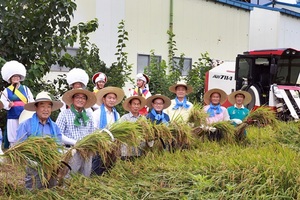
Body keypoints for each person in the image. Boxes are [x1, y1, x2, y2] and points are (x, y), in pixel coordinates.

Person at [16, 91, 63, 190]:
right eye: (42, 106)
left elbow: (58, 146)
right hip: (33, 165)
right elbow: (19, 147)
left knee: (50, 191)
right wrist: (32, 160)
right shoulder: (25, 125)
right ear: (36, 108)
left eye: (49, 107)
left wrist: (57, 159)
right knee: (33, 192)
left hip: (52, 166)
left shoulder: (55, 127)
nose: (46, 110)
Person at [56, 88, 97, 177]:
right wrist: (75, 143)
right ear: (73, 99)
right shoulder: (64, 114)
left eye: (83, 98)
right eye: (77, 97)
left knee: (84, 178)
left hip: (86, 151)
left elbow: (92, 133)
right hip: (71, 151)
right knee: (69, 179)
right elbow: (58, 134)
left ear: (86, 101)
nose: (80, 100)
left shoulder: (89, 115)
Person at [0, 60, 34, 147]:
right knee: (13, 136)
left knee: (25, 134)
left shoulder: (26, 89)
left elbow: (31, 101)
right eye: (13, 76)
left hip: (25, 115)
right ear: (10, 78)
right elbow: (3, 102)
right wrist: (8, 105)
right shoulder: (7, 90)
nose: (16, 78)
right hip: (13, 115)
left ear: (20, 77)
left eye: (17, 76)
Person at [92, 86, 124, 174]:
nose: (112, 100)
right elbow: (93, 131)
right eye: (109, 98)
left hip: (113, 150)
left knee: (110, 172)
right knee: (97, 172)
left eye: (114, 98)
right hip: (99, 149)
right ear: (104, 99)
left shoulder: (116, 115)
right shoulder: (97, 114)